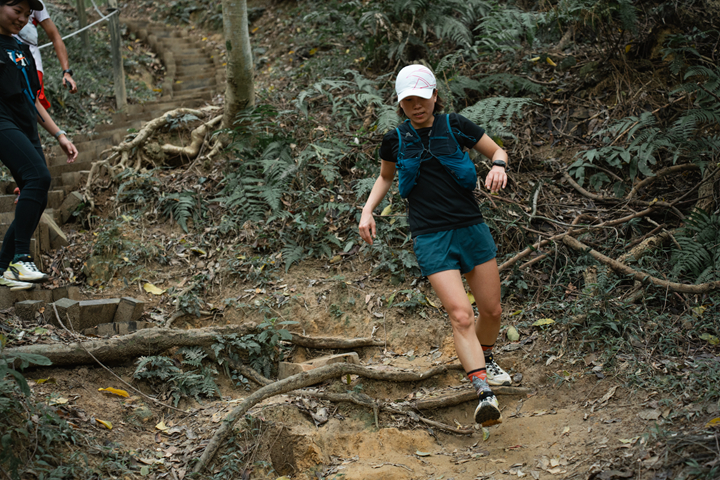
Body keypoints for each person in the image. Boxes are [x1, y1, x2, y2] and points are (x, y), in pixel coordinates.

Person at [358, 64, 511, 426]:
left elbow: (497, 151)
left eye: (421, 98)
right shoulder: (394, 139)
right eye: (408, 100)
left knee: (491, 312)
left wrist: (499, 166)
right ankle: (483, 393)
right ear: (400, 103)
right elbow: (385, 177)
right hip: (430, 236)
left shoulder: (456, 125)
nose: (416, 105)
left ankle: (485, 359)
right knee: (461, 315)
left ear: (434, 96)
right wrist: (367, 211)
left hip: (471, 228)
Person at [0, 0, 77, 290]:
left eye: (26, 14)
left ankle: (3, 268)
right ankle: (20, 259)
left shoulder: (22, 50)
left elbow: (32, 98)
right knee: (39, 177)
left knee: (38, 194)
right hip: (2, 121)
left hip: (25, 125)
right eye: (15, 10)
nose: (21, 18)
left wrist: (59, 135)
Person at [16, 0, 77, 111]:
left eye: (27, 14)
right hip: (7, 58)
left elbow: (55, 36)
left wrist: (66, 72)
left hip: (31, 63)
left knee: (32, 104)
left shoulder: (36, 4)